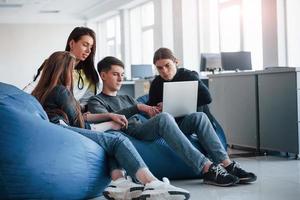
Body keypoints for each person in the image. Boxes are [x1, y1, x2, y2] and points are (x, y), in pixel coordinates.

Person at [31, 51, 190, 200]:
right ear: (63, 70)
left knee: (112, 137)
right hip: (63, 130)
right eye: (72, 70)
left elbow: (79, 118)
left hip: (58, 129)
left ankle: (119, 182)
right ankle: (152, 183)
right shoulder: (61, 91)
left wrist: (104, 120)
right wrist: (107, 123)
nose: (73, 75)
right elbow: (78, 123)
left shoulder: (44, 90)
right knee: (118, 140)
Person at [88, 56, 257, 187]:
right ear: (103, 75)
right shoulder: (97, 101)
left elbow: (145, 114)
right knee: (164, 119)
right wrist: (138, 108)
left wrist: (155, 109)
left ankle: (226, 164)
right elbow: (111, 120)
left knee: (198, 117)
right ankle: (206, 168)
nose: (120, 79)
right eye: (115, 74)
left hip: (146, 125)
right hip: (133, 133)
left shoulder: (126, 97)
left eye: (122, 75)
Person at [26, 27, 100, 111]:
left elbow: (86, 102)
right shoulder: (54, 62)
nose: (88, 51)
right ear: (72, 43)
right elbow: (34, 86)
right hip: (44, 110)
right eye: (85, 45)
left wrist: (74, 108)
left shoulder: (90, 74)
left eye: (91, 47)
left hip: (70, 115)